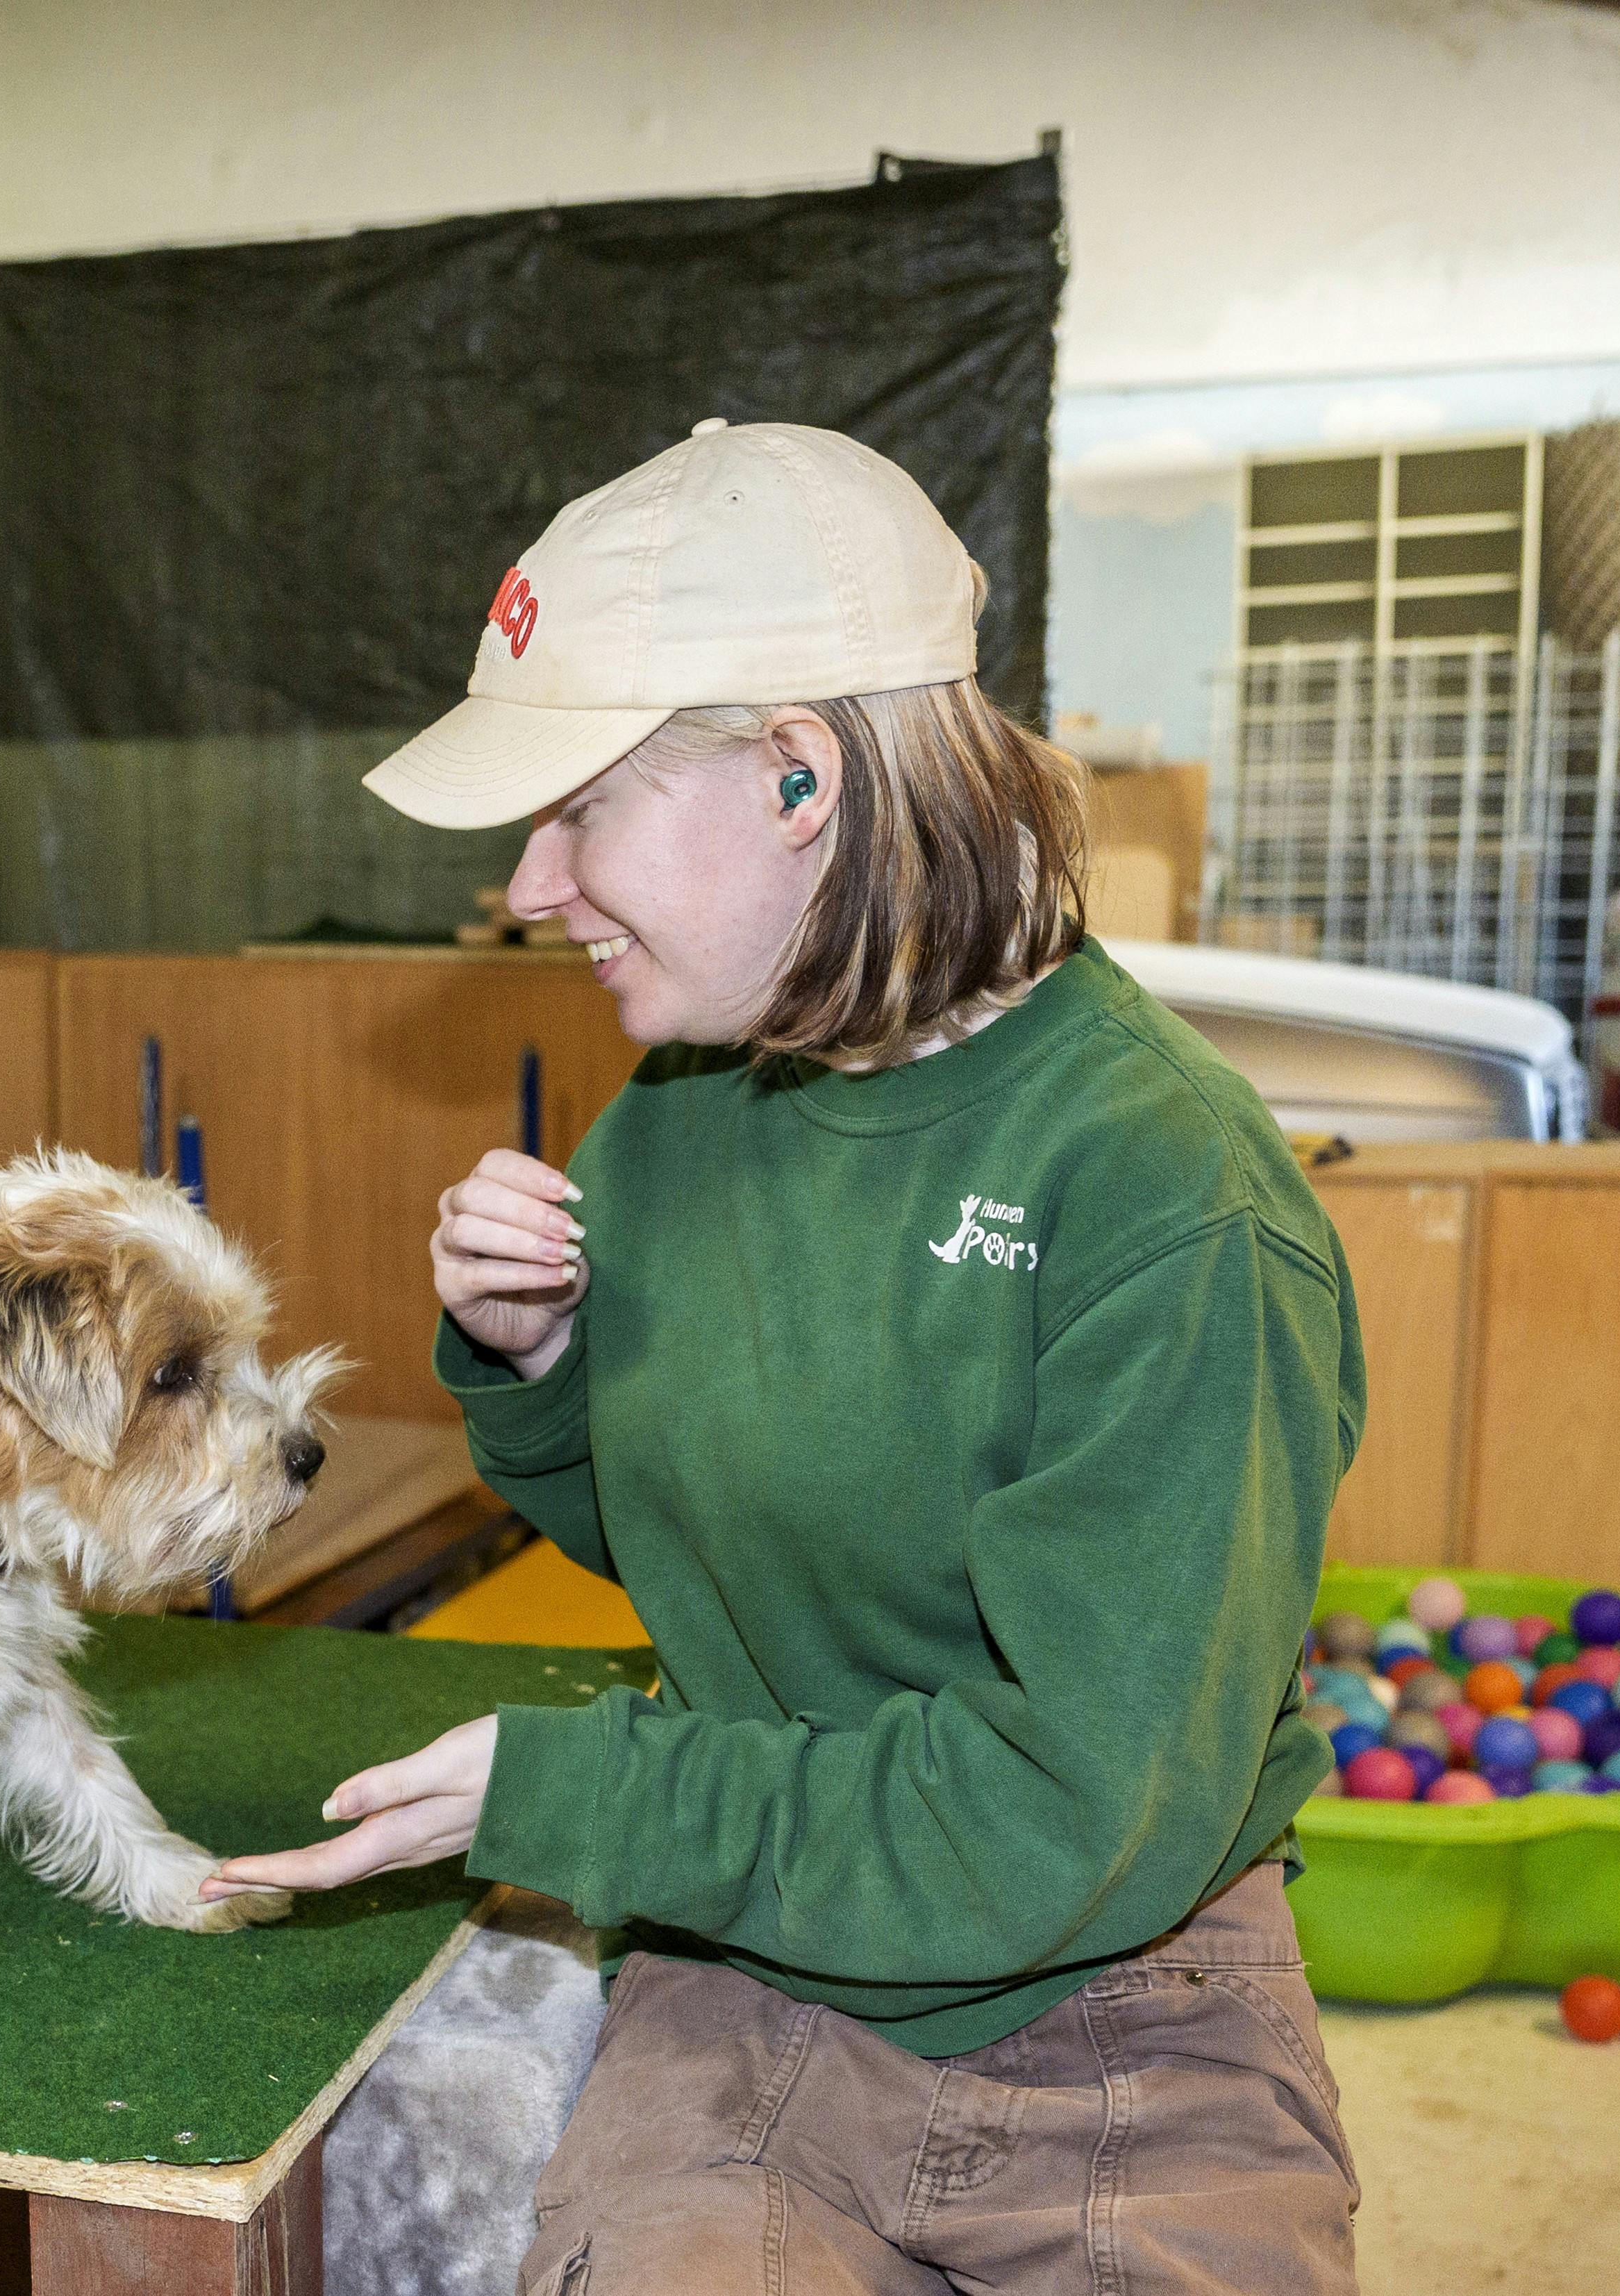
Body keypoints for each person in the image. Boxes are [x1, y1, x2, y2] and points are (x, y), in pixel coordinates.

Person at [206, 421, 1365, 2293]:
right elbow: (681, 1539)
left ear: (799, 775)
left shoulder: (1169, 1193)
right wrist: (545, 1361)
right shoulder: (676, 1111)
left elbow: (1067, 1813)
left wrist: (588, 1794)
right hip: (751, 1965)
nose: (528, 882)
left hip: (1128, 1990)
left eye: (581, 804)